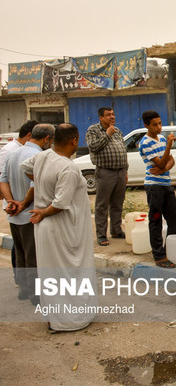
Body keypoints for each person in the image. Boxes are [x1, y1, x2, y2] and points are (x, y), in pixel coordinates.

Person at [22, 124, 97, 332]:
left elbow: (25, 168)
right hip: (64, 229)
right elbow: (61, 203)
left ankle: (54, 318)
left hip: (46, 229)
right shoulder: (68, 167)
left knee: (51, 276)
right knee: (70, 272)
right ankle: (70, 320)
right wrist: (43, 211)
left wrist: (42, 184)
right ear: (74, 140)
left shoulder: (42, 157)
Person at [0, 124, 54, 305]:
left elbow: (3, 180)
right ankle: (35, 295)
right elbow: (35, 185)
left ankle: (23, 289)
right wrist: (22, 204)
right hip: (30, 213)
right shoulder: (38, 156)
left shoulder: (13, 154)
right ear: (47, 139)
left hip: (14, 214)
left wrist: (10, 202)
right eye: (51, 140)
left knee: (21, 253)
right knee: (33, 257)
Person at [138, 110, 176, 268]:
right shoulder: (145, 143)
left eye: (160, 123)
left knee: (174, 218)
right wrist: (168, 148)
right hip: (154, 186)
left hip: (166, 184)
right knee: (155, 219)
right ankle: (159, 255)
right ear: (146, 126)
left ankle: (170, 250)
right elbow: (163, 162)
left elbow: (170, 161)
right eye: (154, 125)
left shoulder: (162, 139)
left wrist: (163, 168)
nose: (159, 127)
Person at [0, 119, 39, 277]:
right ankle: (24, 282)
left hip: (18, 205)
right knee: (24, 249)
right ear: (30, 135)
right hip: (18, 206)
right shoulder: (10, 150)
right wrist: (14, 202)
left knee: (22, 248)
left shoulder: (18, 150)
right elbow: (3, 178)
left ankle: (22, 281)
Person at [86, 107, 128, 246]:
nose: (112, 117)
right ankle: (101, 235)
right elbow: (93, 147)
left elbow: (123, 150)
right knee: (102, 205)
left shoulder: (118, 131)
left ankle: (116, 230)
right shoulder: (93, 130)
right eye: (108, 115)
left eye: (113, 114)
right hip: (105, 172)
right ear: (101, 117)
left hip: (120, 172)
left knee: (117, 204)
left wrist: (125, 171)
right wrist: (107, 134)